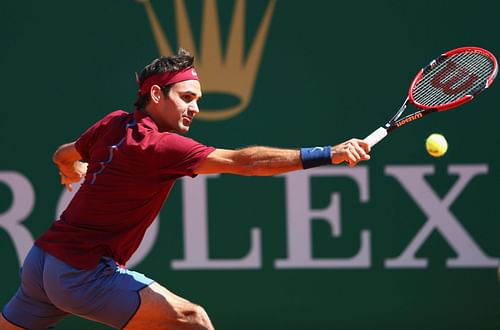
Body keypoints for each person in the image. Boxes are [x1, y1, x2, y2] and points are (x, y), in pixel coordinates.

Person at [0, 48, 371, 330]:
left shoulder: (113, 123)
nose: (195, 108)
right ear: (157, 95)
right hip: (80, 274)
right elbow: (245, 162)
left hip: (41, 263)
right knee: (192, 319)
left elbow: (62, 155)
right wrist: (330, 153)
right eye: (187, 98)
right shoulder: (161, 147)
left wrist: (72, 168)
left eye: (198, 100)